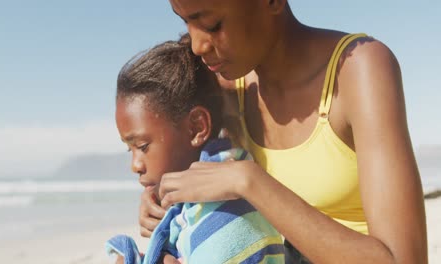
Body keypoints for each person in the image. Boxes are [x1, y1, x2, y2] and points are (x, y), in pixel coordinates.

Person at [139, 1, 428, 263]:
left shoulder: (356, 69)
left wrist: (249, 180)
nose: (197, 46)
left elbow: (403, 260)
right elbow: (173, 149)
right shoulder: (225, 87)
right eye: (185, 21)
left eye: (213, 25)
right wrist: (160, 196)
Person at [108, 35, 286, 264]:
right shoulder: (193, 208)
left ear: (196, 127)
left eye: (143, 147)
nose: (135, 165)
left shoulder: (226, 219)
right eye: (129, 149)